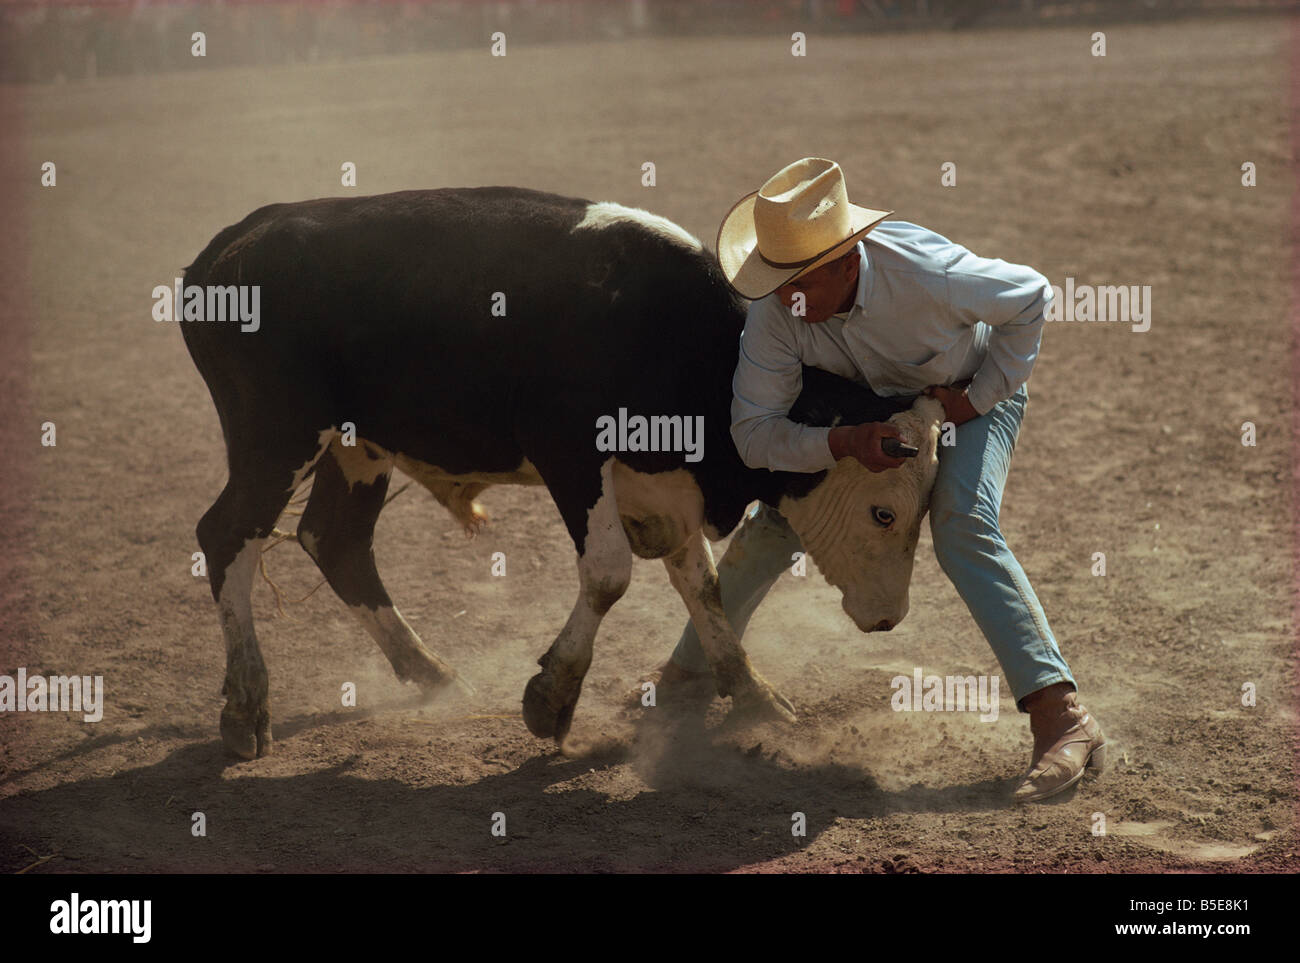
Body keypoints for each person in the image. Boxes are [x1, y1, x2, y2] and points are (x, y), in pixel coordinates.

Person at [660, 157, 1106, 802]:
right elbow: (754, 435)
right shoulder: (778, 313)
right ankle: (685, 677)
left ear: (850, 259)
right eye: (778, 282)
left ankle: (1063, 718)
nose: (789, 299)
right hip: (865, 412)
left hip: (966, 393)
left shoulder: (927, 275)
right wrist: (839, 442)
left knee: (961, 522)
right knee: (779, 524)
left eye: (801, 281)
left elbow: (1032, 294)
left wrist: (977, 399)